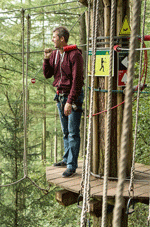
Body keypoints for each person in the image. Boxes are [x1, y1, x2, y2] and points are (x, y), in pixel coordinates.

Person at [43, 26, 84, 178]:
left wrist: (70, 101)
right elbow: (48, 74)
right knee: (66, 132)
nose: (52, 39)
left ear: (62, 39)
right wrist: (46, 59)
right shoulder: (55, 54)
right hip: (60, 96)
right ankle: (67, 159)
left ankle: (72, 166)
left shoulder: (75, 55)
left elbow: (77, 81)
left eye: (54, 37)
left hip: (72, 97)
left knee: (73, 132)